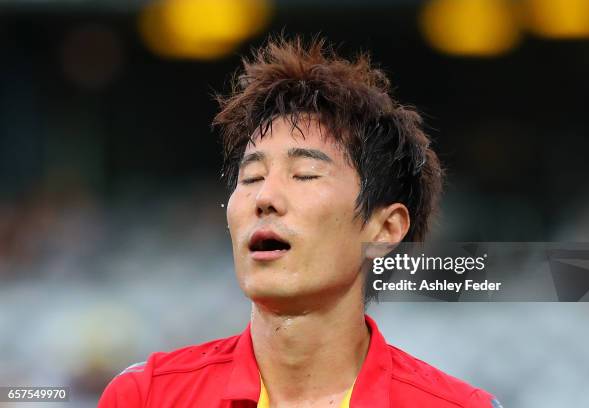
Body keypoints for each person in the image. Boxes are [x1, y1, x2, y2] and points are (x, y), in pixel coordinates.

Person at [99, 36, 502, 408]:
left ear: (386, 229)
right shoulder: (146, 396)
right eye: (251, 177)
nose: (265, 198)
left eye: (305, 174)